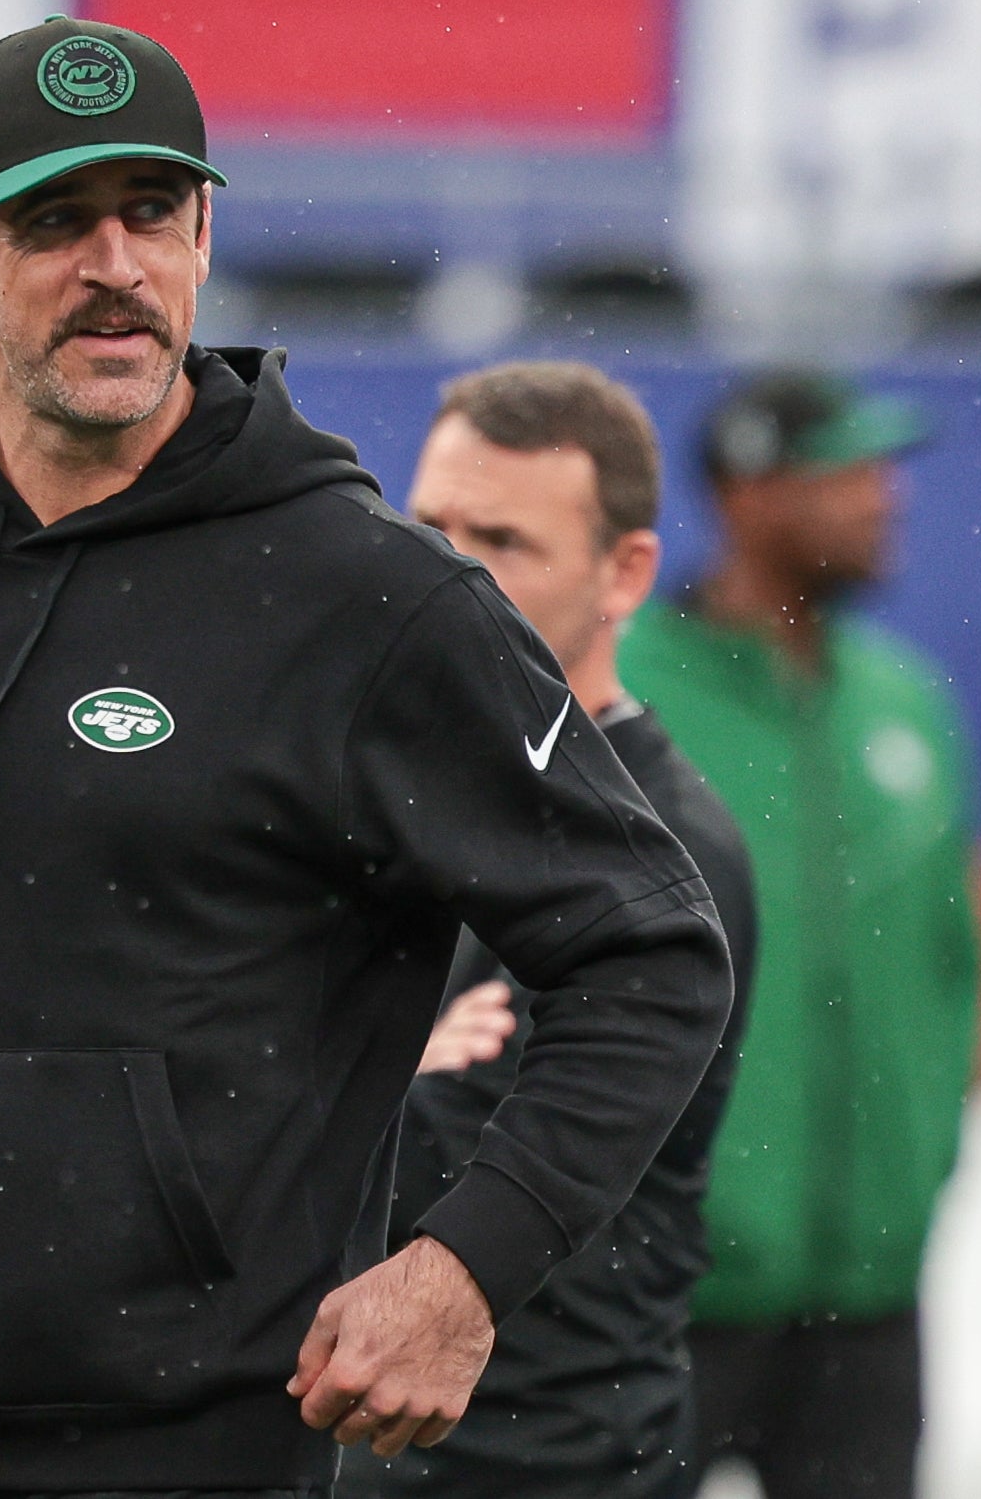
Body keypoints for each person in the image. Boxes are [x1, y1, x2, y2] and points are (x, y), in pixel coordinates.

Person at [0, 18, 732, 1499]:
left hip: (206, 1447)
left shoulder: (373, 600)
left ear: (204, 232)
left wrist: (462, 1270)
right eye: (52, 221)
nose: (115, 264)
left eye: (151, 212)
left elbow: (651, 952)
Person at [340, 363, 758, 1499]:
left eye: (504, 541)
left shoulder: (665, 850)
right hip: (373, 1445)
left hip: (545, 1459)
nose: (448, 571)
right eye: (429, 527)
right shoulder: (389, 794)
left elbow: (439, 1162)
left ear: (624, 572)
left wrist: (317, 1062)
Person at [619, 371, 981, 1498]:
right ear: (748, 496)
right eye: (847, 473)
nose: (885, 498)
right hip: (662, 1294)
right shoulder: (622, 690)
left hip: (869, 1292)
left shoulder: (905, 699)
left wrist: (918, 1171)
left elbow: (951, 961)